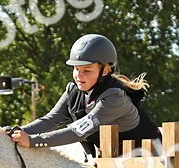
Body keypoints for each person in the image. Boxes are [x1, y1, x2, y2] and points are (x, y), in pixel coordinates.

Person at [8, 34, 160, 156]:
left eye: (87, 70)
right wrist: (17, 131)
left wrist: (33, 141)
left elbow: (78, 132)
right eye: (76, 69)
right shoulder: (72, 90)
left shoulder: (114, 97)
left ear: (105, 70)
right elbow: (50, 120)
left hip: (149, 157)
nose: (79, 76)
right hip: (113, 160)